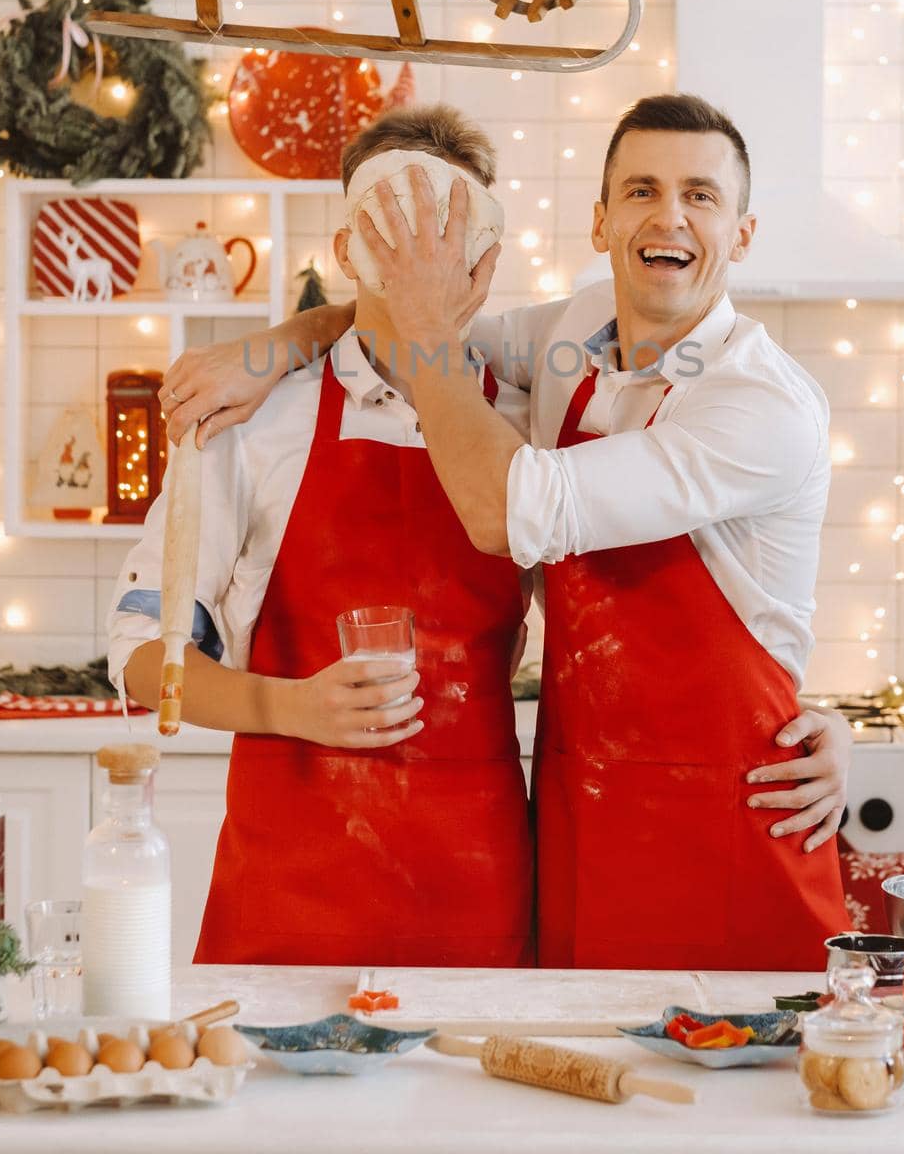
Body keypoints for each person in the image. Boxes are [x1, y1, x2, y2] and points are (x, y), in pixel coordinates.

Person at [160, 95, 853, 971]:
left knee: (749, 1094)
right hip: (576, 828)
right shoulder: (567, 341)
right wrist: (268, 346)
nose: (668, 215)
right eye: (641, 190)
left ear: (742, 234)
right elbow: (396, 324)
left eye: (701, 196)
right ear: (601, 223)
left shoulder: (759, 405)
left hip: (736, 814)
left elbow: (505, 506)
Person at [107, 106, 533, 967]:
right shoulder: (255, 419)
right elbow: (142, 660)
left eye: (446, 236)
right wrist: (286, 704)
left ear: (484, 262)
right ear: (346, 253)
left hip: (476, 888)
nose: (421, 261)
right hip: (290, 891)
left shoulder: (529, 420)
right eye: (392, 232)